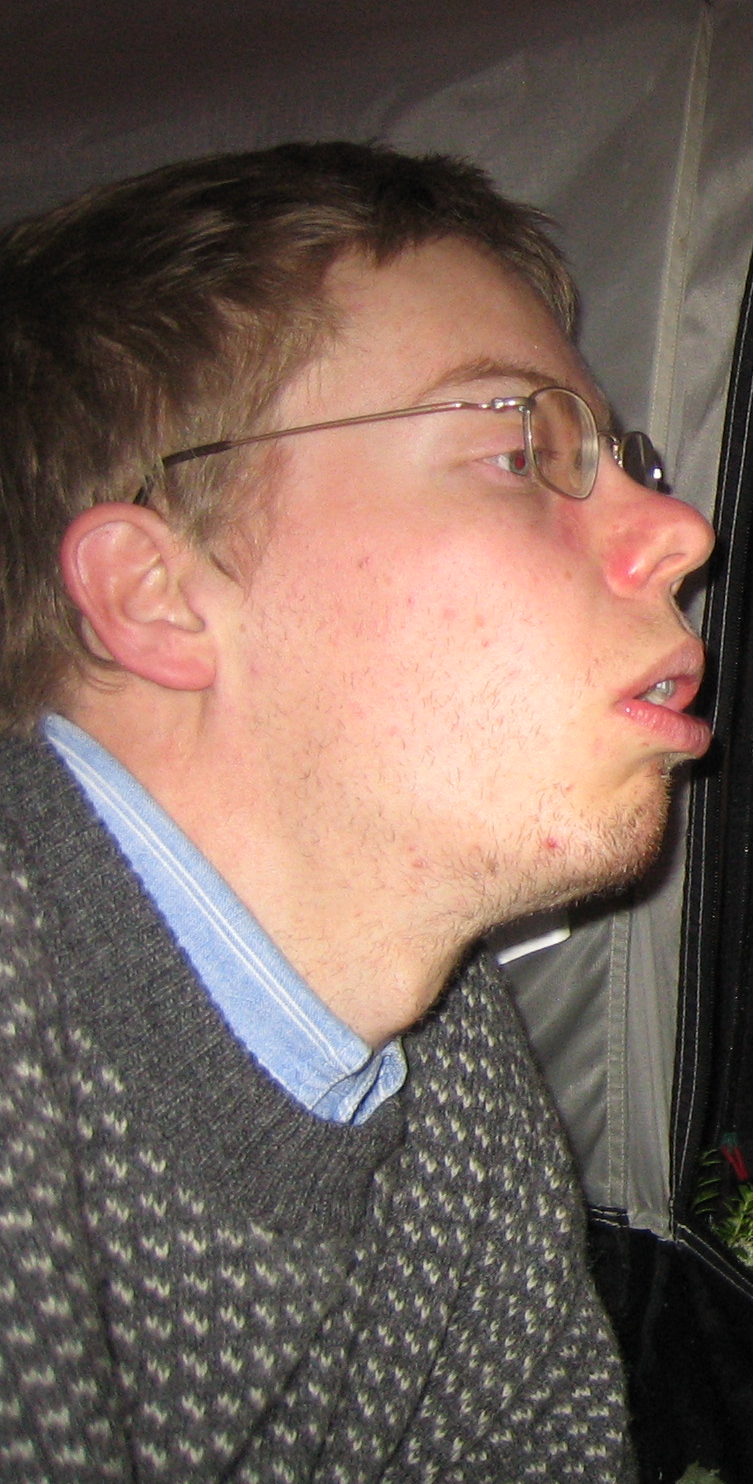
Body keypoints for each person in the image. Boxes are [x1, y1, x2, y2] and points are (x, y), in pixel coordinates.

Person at [0, 142, 715, 1479]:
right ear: (159, 595)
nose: (680, 531)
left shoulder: (440, 1056)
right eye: (519, 451)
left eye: (628, 461)